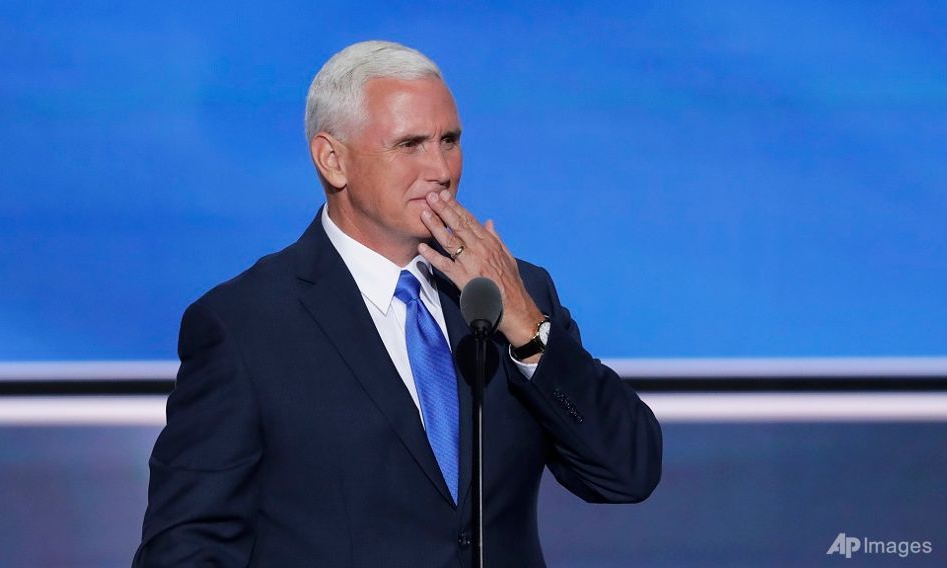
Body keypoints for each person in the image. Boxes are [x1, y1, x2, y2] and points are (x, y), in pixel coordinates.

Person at [134, 40, 661, 568]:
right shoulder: (245, 326)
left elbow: (627, 473)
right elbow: (184, 550)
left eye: (449, 140)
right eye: (410, 144)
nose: (441, 169)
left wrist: (527, 327)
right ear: (333, 160)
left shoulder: (518, 294)